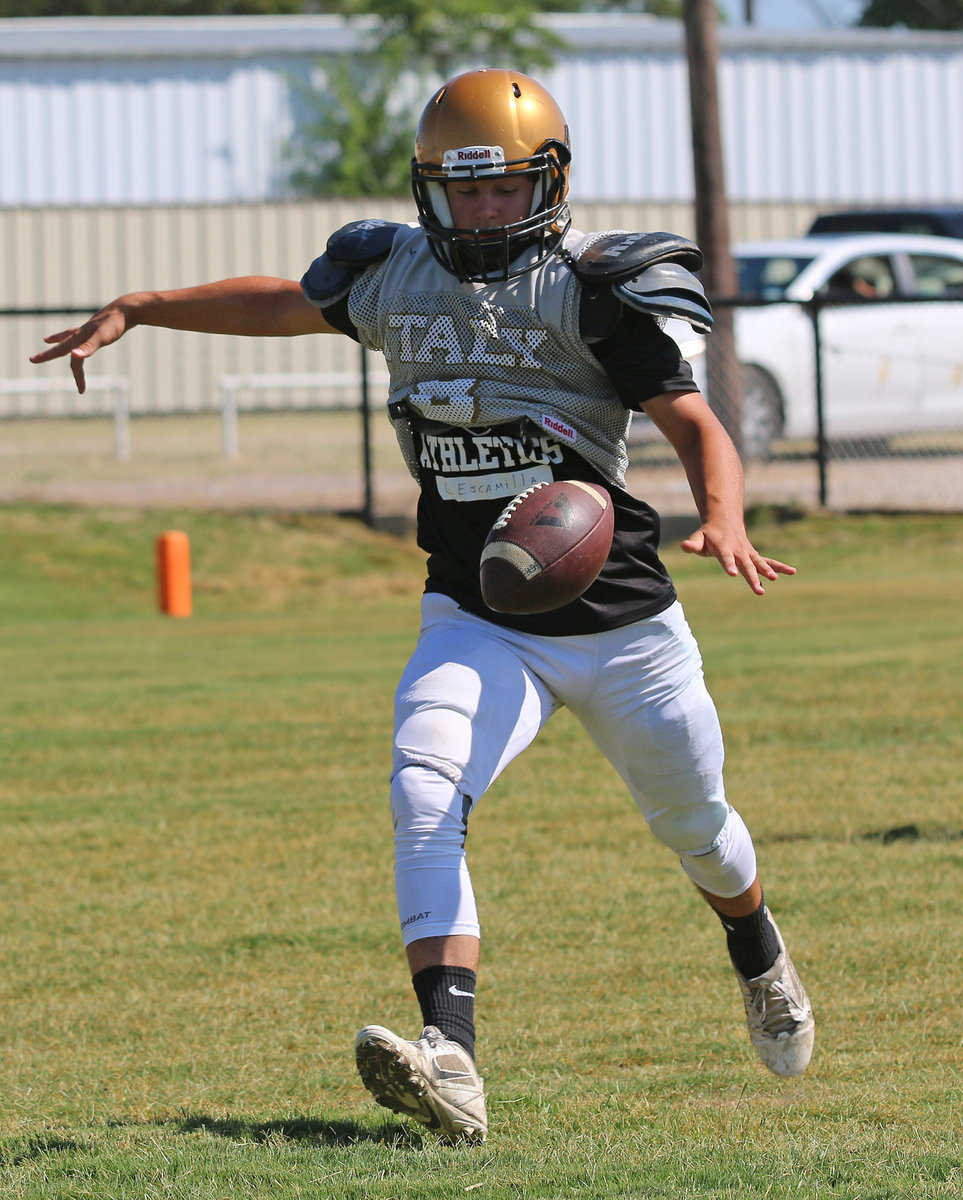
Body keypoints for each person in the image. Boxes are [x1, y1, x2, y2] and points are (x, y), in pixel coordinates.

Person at [32, 68, 814, 1145]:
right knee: (424, 785)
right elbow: (282, 302)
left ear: (551, 184)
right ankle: (452, 1058)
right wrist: (142, 307)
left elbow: (695, 424)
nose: (484, 211)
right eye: (463, 190)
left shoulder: (597, 287)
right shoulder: (392, 275)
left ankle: (758, 953)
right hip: (479, 610)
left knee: (698, 829)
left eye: (504, 191)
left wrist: (722, 514)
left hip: (624, 625)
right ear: (427, 189)